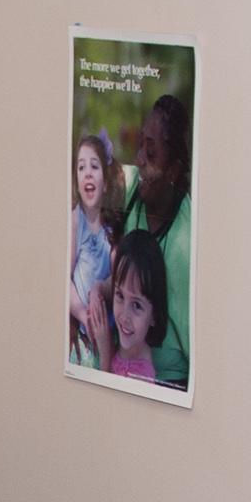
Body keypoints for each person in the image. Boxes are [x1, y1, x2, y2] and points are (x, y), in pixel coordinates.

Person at [87, 95, 191, 389]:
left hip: (163, 380)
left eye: (152, 153)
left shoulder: (184, 247)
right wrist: (100, 288)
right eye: (140, 145)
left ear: (173, 170)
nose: (140, 159)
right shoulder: (134, 187)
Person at [68, 134, 122, 366]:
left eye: (94, 166)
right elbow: (64, 277)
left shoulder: (112, 229)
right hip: (82, 335)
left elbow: (117, 276)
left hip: (107, 335)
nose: (87, 172)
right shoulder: (75, 221)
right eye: (81, 167)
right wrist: (81, 312)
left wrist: (102, 289)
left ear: (106, 183)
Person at [98, 231, 169, 384]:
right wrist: (94, 294)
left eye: (136, 305)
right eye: (120, 295)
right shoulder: (125, 343)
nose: (124, 316)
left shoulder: (141, 376)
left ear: (154, 315)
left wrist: (105, 355)